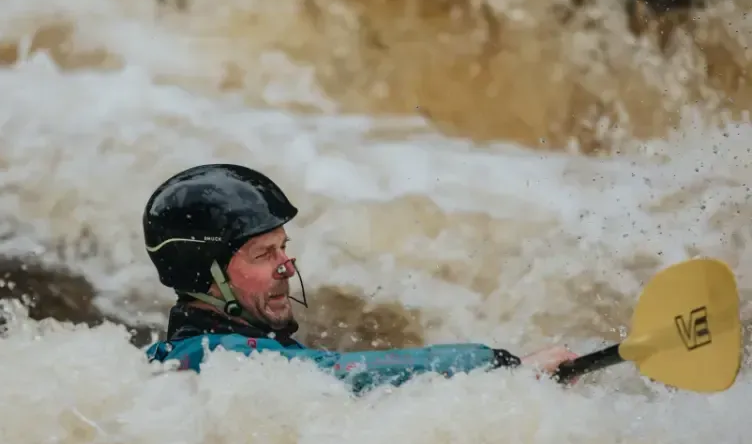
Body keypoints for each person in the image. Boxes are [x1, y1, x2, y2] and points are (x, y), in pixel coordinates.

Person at [142, 163, 578, 394]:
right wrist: (499, 367)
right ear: (207, 276)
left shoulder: (205, 353)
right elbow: (338, 376)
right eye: (263, 254)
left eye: (284, 248)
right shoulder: (215, 359)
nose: (287, 267)